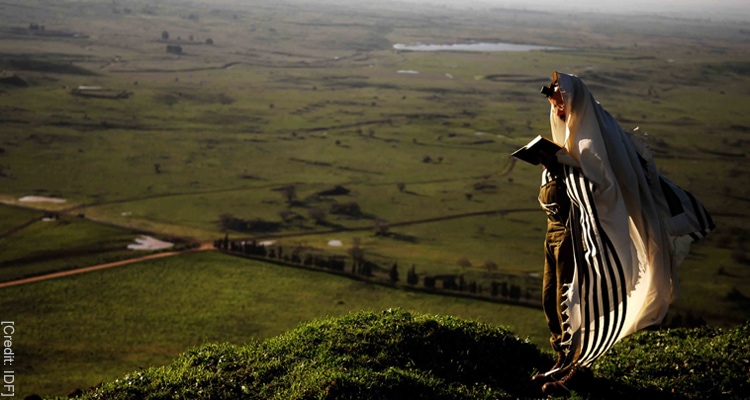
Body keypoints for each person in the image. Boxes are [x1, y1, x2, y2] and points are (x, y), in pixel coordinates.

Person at [528, 71, 714, 396]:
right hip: (557, 232)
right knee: (552, 298)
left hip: (585, 236)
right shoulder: (570, 132)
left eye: (559, 98)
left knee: (583, 301)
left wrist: (564, 167)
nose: (555, 105)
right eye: (552, 99)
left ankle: (577, 372)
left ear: (574, 99)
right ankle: (560, 358)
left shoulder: (597, 136)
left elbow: (606, 186)